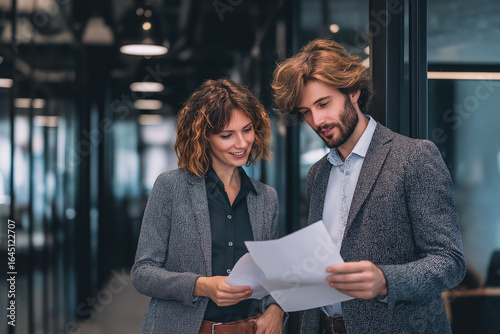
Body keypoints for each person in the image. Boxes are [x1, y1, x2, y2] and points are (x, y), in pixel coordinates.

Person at [271, 39, 466, 333]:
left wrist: (385, 280)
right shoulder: (318, 174)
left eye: (323, 104)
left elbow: (450, 262)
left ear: (353, 92)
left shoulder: (413, 157)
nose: (317, 120)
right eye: (306, 112)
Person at [131, 78, 285, 334]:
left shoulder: (266, 198)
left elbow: (273, 276)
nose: (242, 143)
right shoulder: (170, 187)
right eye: (227, 135)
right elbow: (143, 273)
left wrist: (276, 308)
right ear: (205, 138)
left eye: (247, 130)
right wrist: (201, 285)